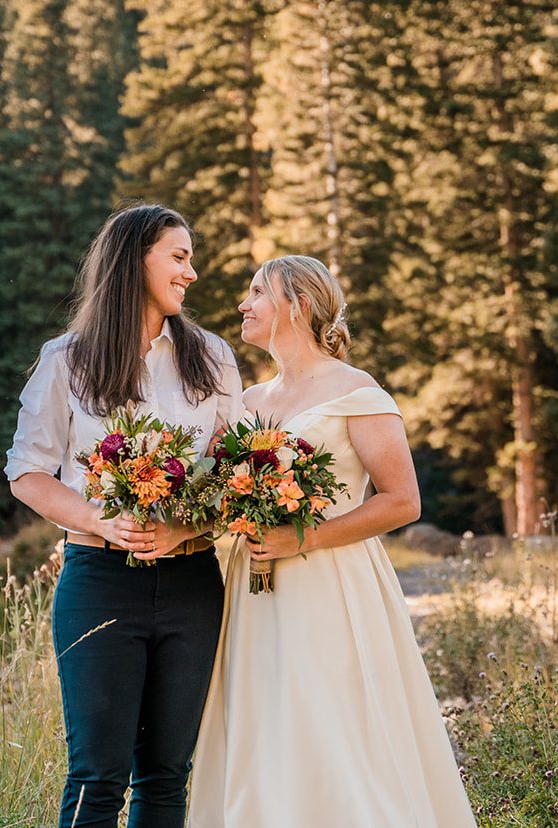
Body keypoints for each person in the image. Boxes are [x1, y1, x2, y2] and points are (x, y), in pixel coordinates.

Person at [188, 255, 477, 827]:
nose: (242, 306)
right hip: (253, 590)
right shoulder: (247, 403)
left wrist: (305, 540)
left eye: (255, 293)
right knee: (265, 723)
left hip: (332, 586)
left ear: (295, 305)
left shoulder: (355, 391)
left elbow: (402, 501)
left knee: (333, 724)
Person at [5, 204, 243, 828]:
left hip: (194, 584)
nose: (192, 273)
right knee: (97, 777)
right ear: (134, 260)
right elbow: (27, 472)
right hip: (99, 581)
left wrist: (186, 527)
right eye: (179, 256)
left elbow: (235, 473)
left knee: (166, 777)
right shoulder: (65, 360)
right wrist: (101, 520)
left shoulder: (212, 358)